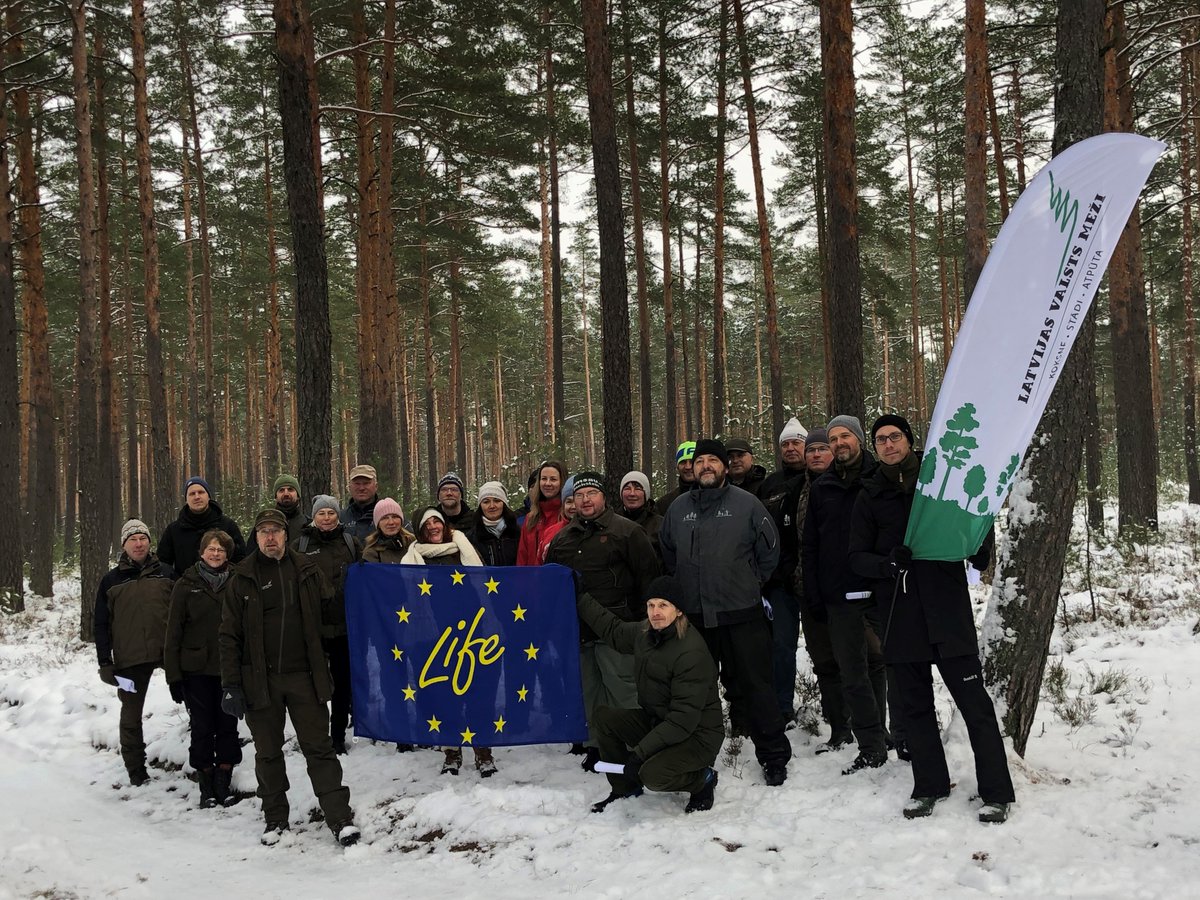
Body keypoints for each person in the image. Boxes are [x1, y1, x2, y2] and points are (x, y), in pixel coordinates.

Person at [849, 415, 1014, 824]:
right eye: (880, 440)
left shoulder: (940, 481)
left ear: (909, 440)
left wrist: (980, 549)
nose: (888, 444)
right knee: (915, 708)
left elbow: (973, 518)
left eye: (895, 436)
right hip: (899, 612)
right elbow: (856, 557)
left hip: (946, 609)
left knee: (975, 704)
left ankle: (996, 792)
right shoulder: (870, 494)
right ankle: (929, 786)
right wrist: (886, 564)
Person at [219, 508, 360, 847]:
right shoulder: (242, 577)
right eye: (263, 532)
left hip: (305, 677)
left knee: (320, 749)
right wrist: (231, 684)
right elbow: (228, 635)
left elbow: (332, 611)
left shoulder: (307, 570)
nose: (270, 537)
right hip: (260, 680)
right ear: (256, 537)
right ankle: (275, 819)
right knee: (268, 752)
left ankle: (339, 818)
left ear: (286, 535)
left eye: (276, 531)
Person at [659, 439, 792, 786]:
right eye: (699, 460)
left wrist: (749, 582)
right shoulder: (678, 509)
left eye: (712, 460)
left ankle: (774, 756)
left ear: (723, 467)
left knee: (757, 688)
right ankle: (693, 755)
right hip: (695, 618)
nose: (705, 465)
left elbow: (769, 551)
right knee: (693, 690)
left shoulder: (747, 505)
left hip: (742, 615)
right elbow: (668, 553)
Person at [578, 576, 723, 815]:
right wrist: (580, 597)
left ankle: (702, 779)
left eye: (663, 605)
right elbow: (614, 631)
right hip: (660, 723)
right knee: (604, 718)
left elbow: (682, 721)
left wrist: (639, 754)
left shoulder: (690, 652)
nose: (655, 612)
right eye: (651, 605)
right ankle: (624, 789)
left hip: (697, 737)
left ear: (678, 611)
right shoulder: (646, 633)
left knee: (652, 775)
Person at [545, 472, 661, 771]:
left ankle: (636, 746)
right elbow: (552, 586)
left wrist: (645, 622)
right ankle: (598, 746)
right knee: (590, 692)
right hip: (580, 631)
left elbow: (648, 578)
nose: (585, 500)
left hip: (619, 629)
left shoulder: (627, 532)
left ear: (603, 497)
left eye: (591, 494)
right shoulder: (562, 539)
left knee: (623, 690)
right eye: (579, 495)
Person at [803, 415, 894, 774]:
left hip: (878, 589)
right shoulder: (822, 487)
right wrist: (815, 591)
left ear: (859, 439)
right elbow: (811, 544)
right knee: (852, 673)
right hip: (838, 594)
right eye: (834, 438)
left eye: (845, 436)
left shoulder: (880, 476)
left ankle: (888, 734)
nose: (839, 443)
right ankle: (870, 746)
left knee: (882, 664)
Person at [400, 508, 494, 777]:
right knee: (445, 694)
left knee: (477, 692)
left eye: (437, 521)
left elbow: (484, 584)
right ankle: (451, 751)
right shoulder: (413, 558)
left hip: (472, 631)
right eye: (426, 523)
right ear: (419, 530)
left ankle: (483, 750)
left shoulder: (463, 548)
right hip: (436, 636)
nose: (433, 526)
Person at [94, 518, 177, 786]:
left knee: (195, 704)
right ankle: (136, 771)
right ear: (124, 545)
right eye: (133, 539)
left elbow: (183, 613)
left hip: (168, 653)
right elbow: (101, 624)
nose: (138, 544)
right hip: (129, 659)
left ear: (149, 542)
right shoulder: (111, 581)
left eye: (143, 538)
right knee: (130, 716)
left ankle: (203, 764)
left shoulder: (167, 573)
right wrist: (105, 662)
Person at [165, 529, 242, 808]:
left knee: (228, 724)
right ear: (201, 552)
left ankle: (224, 777)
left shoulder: (238, 580)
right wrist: (173, 676)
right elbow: (173, 632)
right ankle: (206, 782)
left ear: (227, 554)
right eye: (211, 549)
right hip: (195, 670)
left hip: (229, 667)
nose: (216, 554)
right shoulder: (186, 584)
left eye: (221, 550)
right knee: (202, 726)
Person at [789, 428, 851, 751]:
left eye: (821, 448)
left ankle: (870, 726)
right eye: (810, 450)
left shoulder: (846, 484)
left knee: (860, 659)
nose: (815, 454)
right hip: (806, 588)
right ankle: (839, 727)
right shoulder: (796, 490)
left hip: (846, 589)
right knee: (824, 660)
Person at [293, 495, 362, 755]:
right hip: (313, 627)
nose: (326, 518)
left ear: (337, 516)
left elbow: (364, 578)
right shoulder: (300, 545)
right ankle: (316, 735)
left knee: (343, 685)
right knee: (315, 686)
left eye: (331, 513)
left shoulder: (350, 543)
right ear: (314, 517)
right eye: (321, 513)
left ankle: (338, 736)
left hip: (344, 626)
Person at [756, 417, 809, 721]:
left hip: (815, 578)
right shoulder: (770, 485)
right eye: (785, 444)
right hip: (780, 580)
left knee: (830, 648)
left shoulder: (819, 478)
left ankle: (839, 710)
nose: (790, 448)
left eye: (796, 443)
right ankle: (782, 706)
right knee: (782, 646)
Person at [157, 476, 246, 575]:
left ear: (208, 496)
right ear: (186, 499)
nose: (197, 497)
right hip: (186, 583)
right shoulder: (174, 530)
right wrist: (178, 581)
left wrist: (228, 578)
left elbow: (241, 558)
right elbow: (163, 563)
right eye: (192, 494)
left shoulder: (227, 525)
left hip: (223, 583)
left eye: (201, 492)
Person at [516, 460, 569, 565]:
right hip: (531, 575)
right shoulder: (531, 518)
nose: (547, 483)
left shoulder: (567, 517)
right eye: (544, 479)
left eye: (553, 479)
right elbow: (522, 557)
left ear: (562, 482)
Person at [468, 481, 520, 566]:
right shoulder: (472, 538)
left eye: (497, 500)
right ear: (480, 506)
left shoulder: (518, 533)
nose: (492, 506)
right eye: (486, 502)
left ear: (504, 504)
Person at [619, 470, 663, 560]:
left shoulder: (660, 524)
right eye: (627, 488)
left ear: (646, 494)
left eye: (638, 489)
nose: (632, 493)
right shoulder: (612, 523)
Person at [361, 498, 414, 563]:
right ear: (378, 524)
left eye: (395, 517)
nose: (391, 522)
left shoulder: (414, 545)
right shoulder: (372, 553)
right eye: (385, 518)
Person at [340, 464, 380, 542]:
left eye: (366, 483)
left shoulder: (388, 516)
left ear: (376, 486)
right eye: (357, 484)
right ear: (349, 487)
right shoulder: (340, 518)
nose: (361, 488)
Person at [655, 441, 697, 516]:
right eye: (683, 462)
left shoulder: (712, 497)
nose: (688, 467)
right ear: (677, 466)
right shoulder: (665, 503)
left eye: (692, 462)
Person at [273, 474, 309, 543]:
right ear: (276, 497)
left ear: (298, 495)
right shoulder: (265, 524)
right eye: (281, 490)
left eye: (290, 489)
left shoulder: (308, 525)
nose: (286, 494)